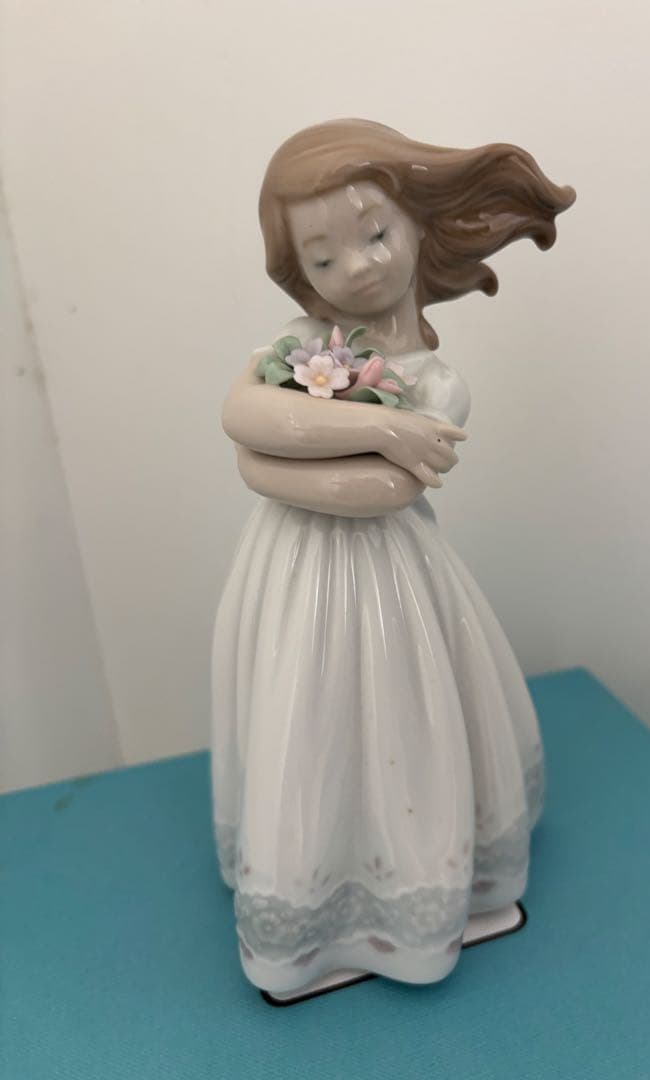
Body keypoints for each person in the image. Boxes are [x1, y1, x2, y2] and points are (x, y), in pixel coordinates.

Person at [211, 119, 575, 995]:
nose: (359, 266)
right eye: (324, 257)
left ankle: (409, 897)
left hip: (387, 583)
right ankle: (308, 905)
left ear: (418, 225)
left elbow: (379, 494)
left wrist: (277, 459)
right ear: (300, 271)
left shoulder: (439, 384)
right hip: (289, 574)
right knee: (303, 721)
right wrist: (381, 428)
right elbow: (242, 418)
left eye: (375, 233)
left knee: (396, 721)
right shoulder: (300, 347)